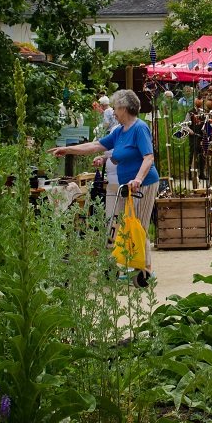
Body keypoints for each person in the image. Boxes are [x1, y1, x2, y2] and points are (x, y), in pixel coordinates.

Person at [50, 88, 159, 284]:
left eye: (115, 108)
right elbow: (95, 146)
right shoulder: (119, 131)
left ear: (124, 108)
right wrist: (68, 149)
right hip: (126, 185)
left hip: (144, 184)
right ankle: (132, 263)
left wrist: (138, 179)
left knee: (139, 225)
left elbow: (148, 157)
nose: (113, 112)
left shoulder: (139, 128)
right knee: (124, 224)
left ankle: (145, 270)